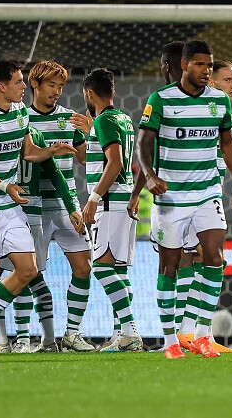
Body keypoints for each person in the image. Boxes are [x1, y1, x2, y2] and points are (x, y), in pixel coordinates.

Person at [0, 60, 77, 353]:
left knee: (27, 269)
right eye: (19, 82)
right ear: (2, 86)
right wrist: (4, 185)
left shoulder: (21, 112)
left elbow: (29, 152)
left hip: (10, 205)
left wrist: (51, 150)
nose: (24, 87)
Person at [136, 40, 232, 359]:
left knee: (214, 257)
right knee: (170, 265)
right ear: (185, 65)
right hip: (172, 196)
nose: (205, 70)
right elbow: (144, 143)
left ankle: (200, 334)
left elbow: (229, 143)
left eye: (209, 66)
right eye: (200, 64)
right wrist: (151, 176)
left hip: (207, 192)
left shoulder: (218, 102)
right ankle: (171, 339)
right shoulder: (161, 100)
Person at [27, 61, 95, 352]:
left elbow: (83, 159)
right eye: (51, 85)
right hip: (33, 206)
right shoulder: (22, 119)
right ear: (35, 85)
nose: (56, 92)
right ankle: (45, 337)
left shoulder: (70, 119)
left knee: (83, 266)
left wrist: (90, 134)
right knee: (29, 272)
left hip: (68, 205)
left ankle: (72, 333)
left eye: (60, 86)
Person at [81, 68, 143, 352]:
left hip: (108, 203)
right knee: (119, 270)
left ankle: (129, 331)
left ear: (89, 93)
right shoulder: (124, 119)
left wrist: (93, 198)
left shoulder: (105, 120)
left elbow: (115, 162)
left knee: (102, 270)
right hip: (123, 201)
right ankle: (123, 335)